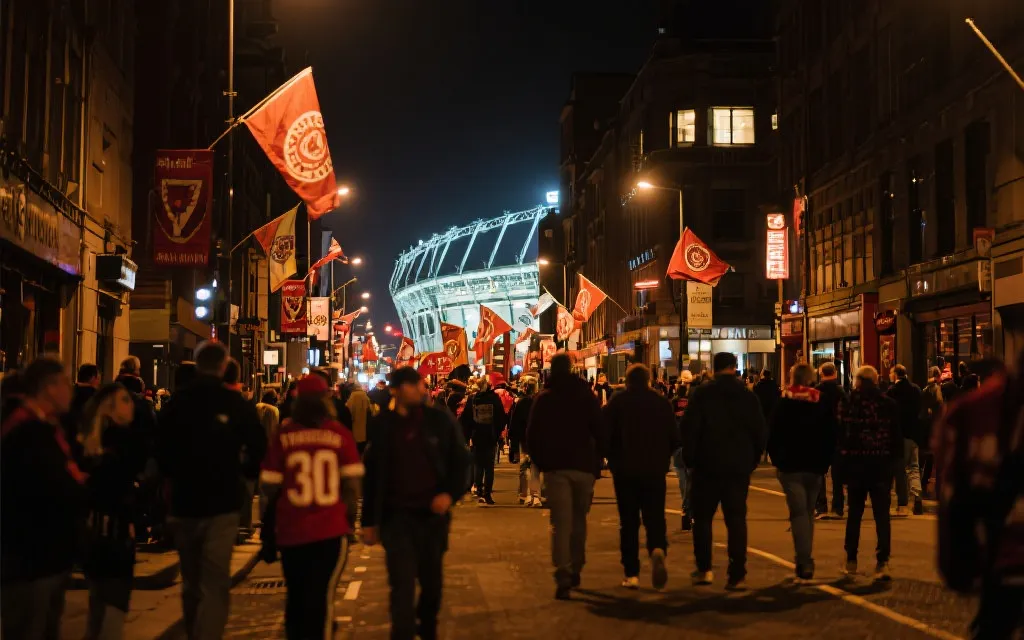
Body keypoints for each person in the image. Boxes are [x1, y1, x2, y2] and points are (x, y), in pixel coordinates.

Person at [156, 341, 267, 640]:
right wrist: (244, 477)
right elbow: (258, 447)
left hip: (184, 502)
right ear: (223, 366)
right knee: (215, 580)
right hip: (221, 503)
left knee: (191, 580)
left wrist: (172, 477)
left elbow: (159, 450)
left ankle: (195, 630)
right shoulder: (234, 404)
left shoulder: (177, 403)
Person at [361, 367, 470, 640]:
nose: (418, 390)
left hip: (431, 517)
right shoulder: (382, 425)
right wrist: (369, 522)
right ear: (396, 390)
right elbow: (372, 476)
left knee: (432, 584)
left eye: (418, 384)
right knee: (401, 584)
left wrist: (449, 494)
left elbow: (461, 462)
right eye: (411, 385)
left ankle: (428, 625)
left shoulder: (439, 421)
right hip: (396, 517)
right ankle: (403, 632)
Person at [260, 375, 363, 640]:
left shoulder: (284, 435)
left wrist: (268, 529)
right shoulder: (339, 434)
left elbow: (269, 487)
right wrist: (349, 523)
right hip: (329, 529)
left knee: (296, 598)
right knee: (321, 600)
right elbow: (352, 486)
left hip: (292, 531)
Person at [934, 354, 1023, 638]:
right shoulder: (973, 412)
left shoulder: (971, 412)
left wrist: (958, 565)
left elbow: (953, 497)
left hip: (1005, 563)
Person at [1, 357, 86, 640]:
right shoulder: (25, 431)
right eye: (65, 383)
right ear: (49, 388)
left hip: (48, 558)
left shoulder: (46, 427)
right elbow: (47, 488)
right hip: (30, 560)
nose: (70, 391)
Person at [682, 351, 767, 591]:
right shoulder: (747, 396)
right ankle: (737, 573)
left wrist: (690, 460)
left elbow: (690, 429)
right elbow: (759, 431)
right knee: (736, 520)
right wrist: (752, 459)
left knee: (703, 519)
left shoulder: (702, 394)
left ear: (714, 367)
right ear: (734, 366)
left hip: (707, 465)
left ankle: (704, 568)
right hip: (737, 466)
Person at [526, 353, 607, 599]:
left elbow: (532, 436)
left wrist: (542, 463)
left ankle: (562, 569)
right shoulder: (586, 397)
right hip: (583, 467)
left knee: (560, 522)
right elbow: (600, 430)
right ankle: (576, 564)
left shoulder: (544, 399)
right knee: (579, 520)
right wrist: (598, 462)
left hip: (556, 469)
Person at [79, 382, 148, 639]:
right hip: (114, 531)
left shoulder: (89, 442)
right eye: (124, 400)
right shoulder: (120, 443)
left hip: (96, 530)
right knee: (115, 603)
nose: (131, 405)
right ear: (109, 408)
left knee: (99, 603)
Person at [604, 364, 678, 590]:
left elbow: (604, 434)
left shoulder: (617, 403)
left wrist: (611, 459)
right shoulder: (661, 403)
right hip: (654, 470)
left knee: (628, 522)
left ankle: (632, 572)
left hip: (625, 470)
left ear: (626, 380)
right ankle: (657, 548)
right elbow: (675, 437)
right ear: (648, 380)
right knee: (655, 516)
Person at [768, 363, 835, 582]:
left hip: (790, 465)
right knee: (807, 512)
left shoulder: (784, 400)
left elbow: (774, 432)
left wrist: (776, 458)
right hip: (814, 464)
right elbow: (830, 432)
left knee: (798, 513)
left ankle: (804, 559)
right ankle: (805, 557)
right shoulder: (820, 400)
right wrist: (826, 460)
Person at [838, 365, 901, 581]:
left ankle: (851, 560)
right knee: (881, 515)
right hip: (880, 464)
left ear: (857, 381)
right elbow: (895, 437)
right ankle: (882, 561)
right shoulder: (888, 404)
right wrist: (893, 464)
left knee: (854, 514)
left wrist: (842, 465)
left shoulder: (848, 403)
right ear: (875, 380)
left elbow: (842, 436)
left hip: (856, 464)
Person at [460, 377, 507, 504]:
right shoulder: (494, 398)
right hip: (491, 435)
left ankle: (479, 490)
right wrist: (498, 432)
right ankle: (487, 494)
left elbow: (466, 419)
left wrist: (468, 435)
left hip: (476, 435)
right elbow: (501, 417)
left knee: (478, 464)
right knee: (489, 465)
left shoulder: (473, 399)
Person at [887, 364, 923, 516]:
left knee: (899, 469)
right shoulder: (915, 389)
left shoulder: (892, 392)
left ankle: (902, 503)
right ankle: (917, 495)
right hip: (914, 434)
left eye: (891, 373)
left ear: (895, 375)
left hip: (899, 435)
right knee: (914, 467)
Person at [816, 362, 849, 519]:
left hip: (821, 437)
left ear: (821, 373)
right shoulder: (841, 392)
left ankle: (821, 506)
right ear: (835, 372)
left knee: (819, 474)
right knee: (838, 476)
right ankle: (838, 507)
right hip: (838, 437)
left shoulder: (816, 391)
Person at [65, 363, 101, 464]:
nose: (99, 382)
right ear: (93, 378)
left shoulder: (68, 393)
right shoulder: (96, 397)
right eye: (98, 379)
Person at [671, 370, 694, 531]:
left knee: (683, 480)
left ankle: (686, 509)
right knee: (689, 480)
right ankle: (687, 509)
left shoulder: (673, 402)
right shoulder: (694, 402)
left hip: (679, 445)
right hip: (689, 444)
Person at [508, 378, 536, 498]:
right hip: (535, 436)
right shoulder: (537, 401)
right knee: (535, 465)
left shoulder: (521, 402)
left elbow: (514, 423)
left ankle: (523, 492)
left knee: (524, 464)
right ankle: (535, 493)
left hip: (523, 437)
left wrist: (513, 441)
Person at [919, 366, 944, 498]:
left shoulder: (924, 391)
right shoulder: (938, 391)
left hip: (925, 427)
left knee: (926, 458)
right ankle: (938, 489)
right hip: (935, 427)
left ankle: (922, 484)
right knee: (937, 459)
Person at [346, 381, 374, 454]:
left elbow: (348, 410)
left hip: (355, 423)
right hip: (364, 423)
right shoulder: (365, 395)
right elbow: (370, 410)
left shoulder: (353, 396)